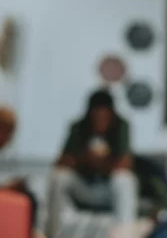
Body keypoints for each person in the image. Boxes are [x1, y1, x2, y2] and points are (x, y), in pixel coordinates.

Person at [46, 89, 138, 236]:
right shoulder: (78, 127)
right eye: (97, 115)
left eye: (104, 116)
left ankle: (125, 234)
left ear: (111, 115)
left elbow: (126, 163)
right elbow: (62, 162)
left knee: (125, 180)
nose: (100, 120)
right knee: (59, 177)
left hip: (107, 189)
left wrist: (103, 163)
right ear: (90, 114)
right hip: (84, 186)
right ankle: (53, 233)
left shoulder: (121, 126)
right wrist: (85, 160)